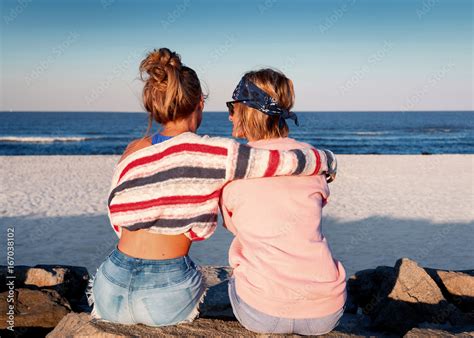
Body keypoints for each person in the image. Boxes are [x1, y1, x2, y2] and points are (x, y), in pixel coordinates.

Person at [89, 48, 336, 327]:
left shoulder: (133, 150)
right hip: (164, 292)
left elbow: (115, 212)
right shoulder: (214, 154)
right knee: (197, 277)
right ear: (200, 103)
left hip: (109, 284)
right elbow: (278, 161)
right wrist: (326, 159)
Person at [220, 68, 346, 335]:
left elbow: (233, 225)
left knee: (234, 275)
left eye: (233, 106)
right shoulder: (311, 160)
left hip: (262, 312)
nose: (230, 115)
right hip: (326, 310)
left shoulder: (235, 168)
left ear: (247, 110)